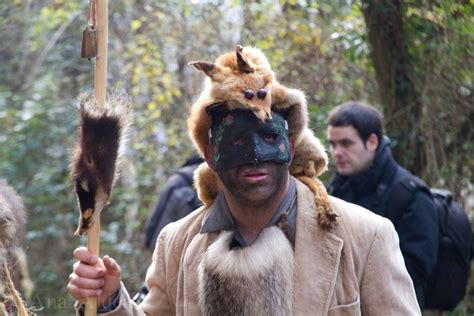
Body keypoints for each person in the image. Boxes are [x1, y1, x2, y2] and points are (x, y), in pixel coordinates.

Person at [67, 47, 421, 315]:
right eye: (236, 141)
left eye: (268, 138)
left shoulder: (366, 237)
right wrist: (110, 300)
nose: (254, 156)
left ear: (291, 143)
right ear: (209, 154)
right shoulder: (177, 243)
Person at [326, 101, 439, 310]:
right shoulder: (336, 190)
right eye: (333, 145)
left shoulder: (412, 196)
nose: (337, 152)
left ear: (372, 142)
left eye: (346, 143)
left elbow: (416, 271)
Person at [143, 153, 203, 251]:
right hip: (182, 249)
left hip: (160, 240)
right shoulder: (210, 184)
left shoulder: (177, 179)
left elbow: (158, 208)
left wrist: (148, 237)